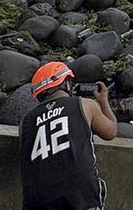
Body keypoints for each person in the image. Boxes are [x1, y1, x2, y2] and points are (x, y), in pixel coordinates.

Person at [19, 61, 117, 210]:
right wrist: (103, 102)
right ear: (65, 84)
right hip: (80, 197)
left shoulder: (26, 121)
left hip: (37, 202)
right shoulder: (84, 104)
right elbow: (111, 132)